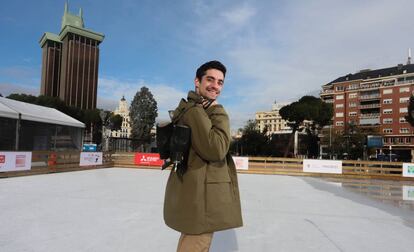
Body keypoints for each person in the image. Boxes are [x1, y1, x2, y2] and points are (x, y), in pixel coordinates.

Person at [163, 60, 243, 251]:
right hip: (201, 198)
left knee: (193, 242)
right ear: (197, 81)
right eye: (210, 79)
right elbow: (216, 149)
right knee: (196, 244)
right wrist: (219, 110)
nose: (216, 86)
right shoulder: (198, 111)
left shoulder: (195, 109)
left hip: (198, 193)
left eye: (220, 82)